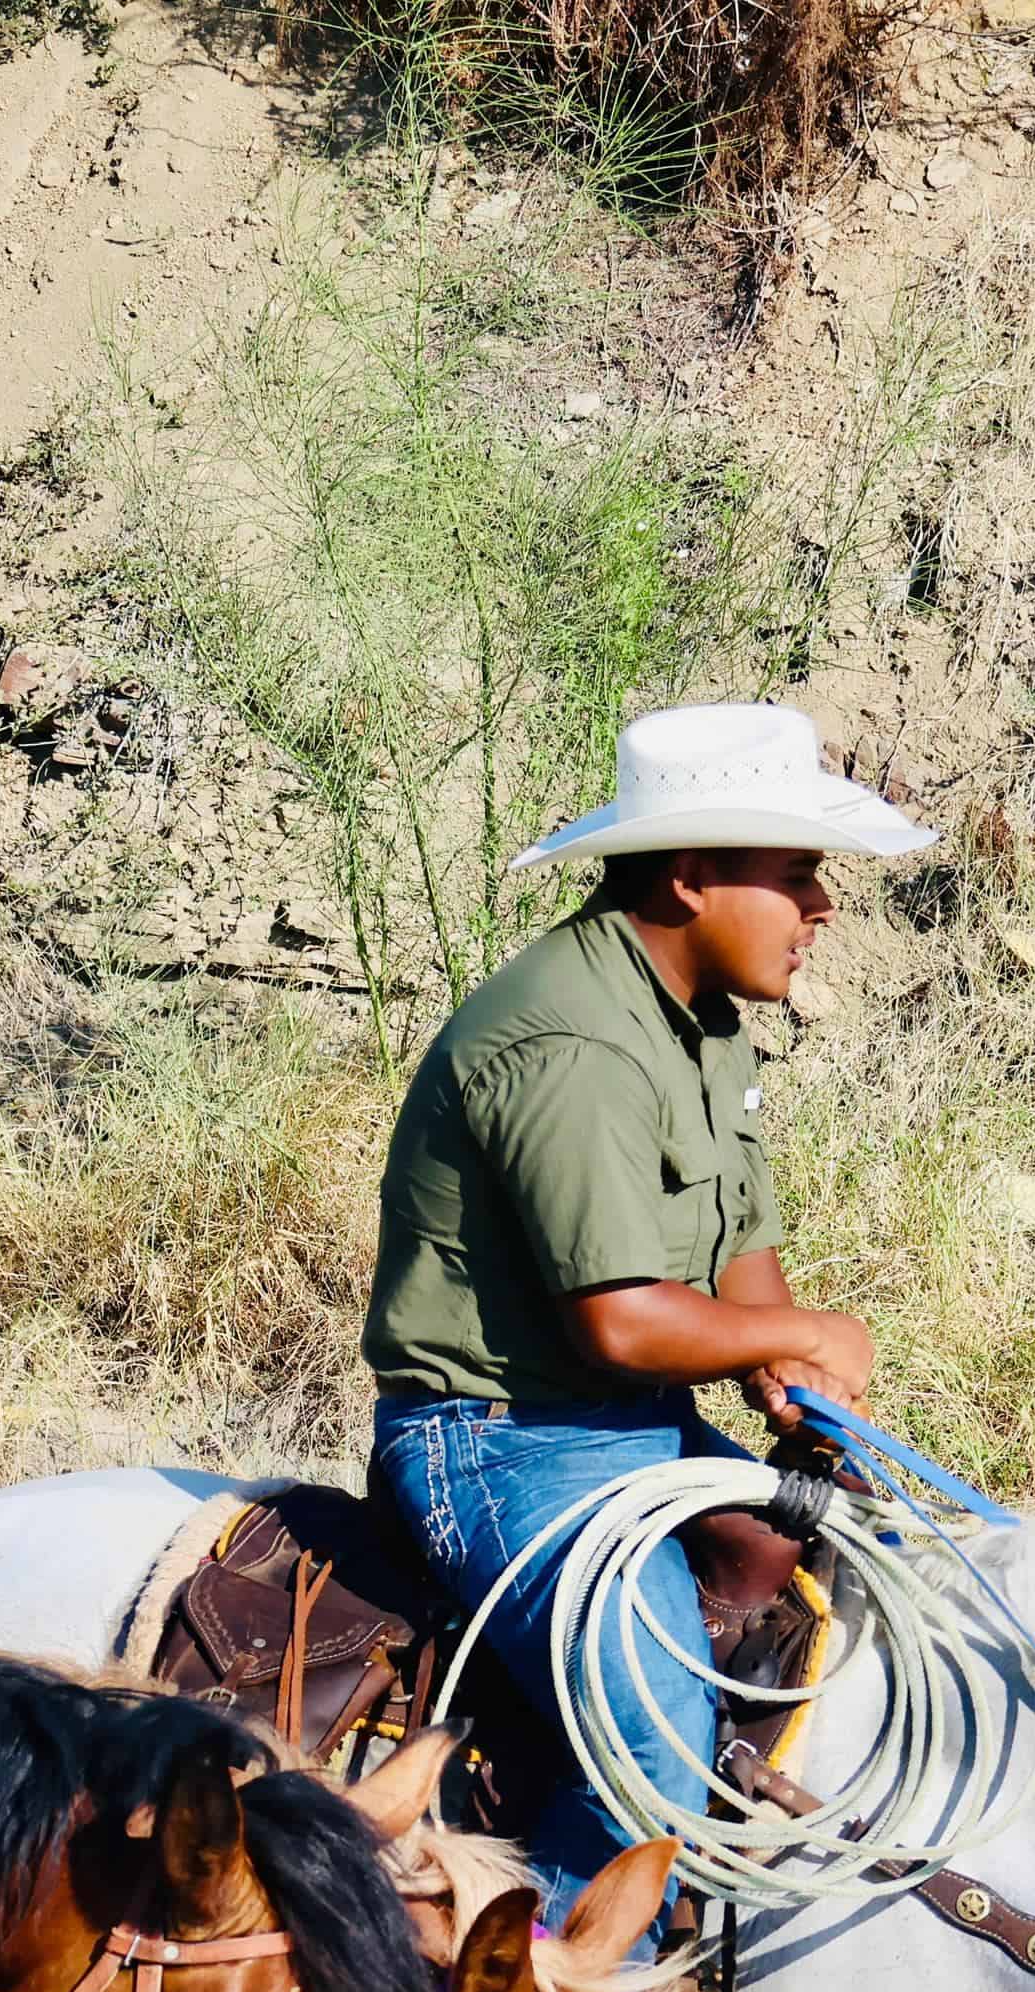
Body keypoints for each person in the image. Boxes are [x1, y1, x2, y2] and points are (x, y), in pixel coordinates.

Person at [361, 701, 923, 1909]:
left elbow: (736, 1256)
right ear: (687, 878)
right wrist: (798, 1335)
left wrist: (794, 1386)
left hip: (625, 1428)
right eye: (794, 876)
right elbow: (618, 1320)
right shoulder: (573, 1043)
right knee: (658, 1735)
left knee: (867, 1587)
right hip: (494, 1441)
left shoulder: (701, 1023)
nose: (821, 907)